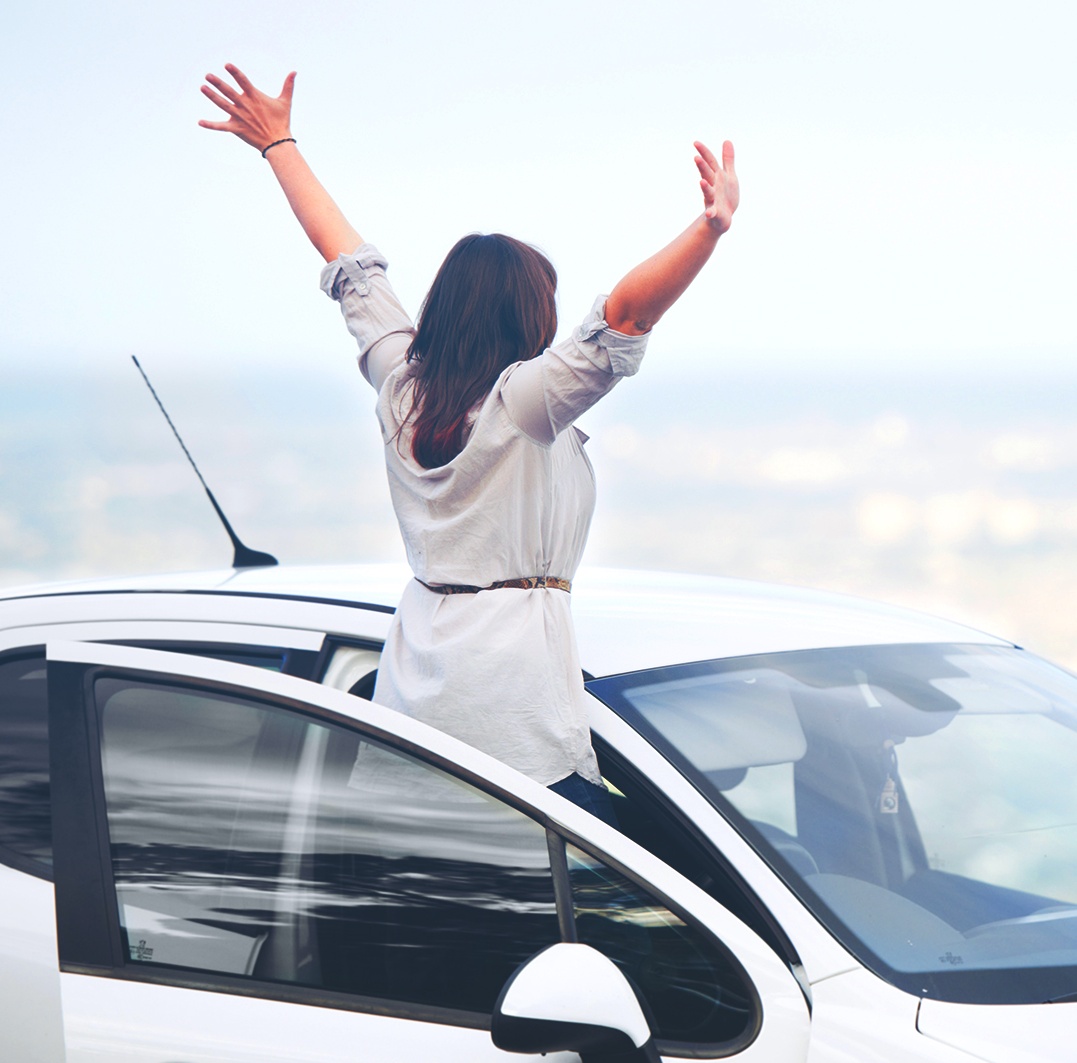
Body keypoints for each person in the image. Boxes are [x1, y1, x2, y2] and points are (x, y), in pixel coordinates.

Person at [199, 63, 738, 823]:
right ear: (528, 314)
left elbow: (350, 268)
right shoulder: (524, 403)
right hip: (513, 733)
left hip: (412, 711)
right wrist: (708, 230)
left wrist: (279, 144)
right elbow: (623, 312)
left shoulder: (402, 385)